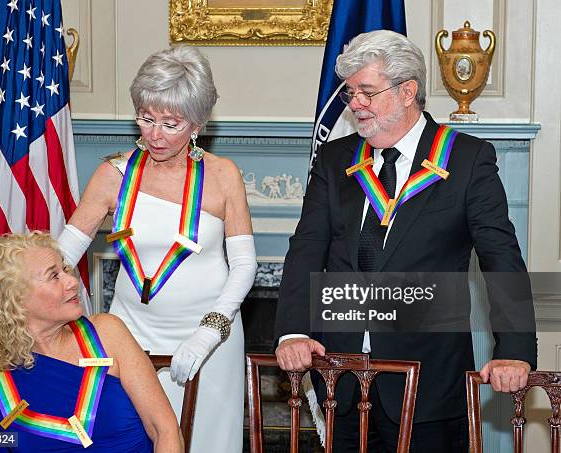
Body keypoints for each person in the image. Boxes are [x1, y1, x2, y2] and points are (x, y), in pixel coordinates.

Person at [274, 30, 537, 452]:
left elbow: (501, 257)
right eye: (350, 92)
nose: (355, 102)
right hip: (340, 383)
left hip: (429, 385)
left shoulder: (467, 158)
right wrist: (291, 332)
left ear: (408, 90)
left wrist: (516, 350)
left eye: (366, 91)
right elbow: (306, 248)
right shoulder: (336, 159)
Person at [57, 46, 257, 452]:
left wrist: (209, 332)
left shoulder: (222, 176)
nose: (154, 134)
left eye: (171, 123)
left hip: (210, 337)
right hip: (130, 336)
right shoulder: (112, 175)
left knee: (206, 442)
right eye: (146, 119)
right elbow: (63, 253)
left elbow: (244, 264)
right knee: (132, 438)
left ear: (197, 124)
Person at [0, 232, 182, 452]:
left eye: (65, 269)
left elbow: (166, 431)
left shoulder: (108, 334)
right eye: (54, 276)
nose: (72, 281)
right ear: (15, 299)